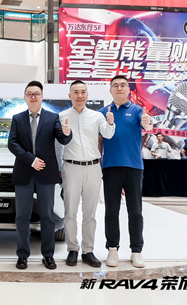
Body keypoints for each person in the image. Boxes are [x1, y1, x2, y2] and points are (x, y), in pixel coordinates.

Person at [8, 81, 72, 270]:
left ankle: (48, 255)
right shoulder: (17, 118)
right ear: (25, 97)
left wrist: (67, 133)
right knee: (22, 217)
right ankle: (22, 255)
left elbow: (62, 139)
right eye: (30, 94)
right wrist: (31, 160)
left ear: (42, 96)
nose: (33, 96)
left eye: (37, 93)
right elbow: (12, 143)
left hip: (46, 173)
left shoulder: (53, 118)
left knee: (47, 216)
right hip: (24, 173)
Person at [59, 80, 115, 268]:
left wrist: (110, 123)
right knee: (70, 212)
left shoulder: (97, 116)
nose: (80, 95)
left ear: (87, 95)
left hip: (93, 167)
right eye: (76, 92)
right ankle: (72, 249)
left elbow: (108, 135)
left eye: (83, 91)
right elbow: (58, 143)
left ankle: (88, 251)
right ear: (70, 95)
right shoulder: (61, 116)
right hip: (71, 167)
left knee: (90, 213)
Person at [99, 75, 152, 268]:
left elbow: (147, 125)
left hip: (133, 166)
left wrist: (147, 122)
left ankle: (136, 251)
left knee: (135, 211)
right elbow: (99, 139)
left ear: (128, 89)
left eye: (123, 85)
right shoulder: (103, 112)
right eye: (115, 85)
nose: (119, 88)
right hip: (110, 166)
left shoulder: (137, 110)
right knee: (111, 211)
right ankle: (112, 249)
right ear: (110, 90)